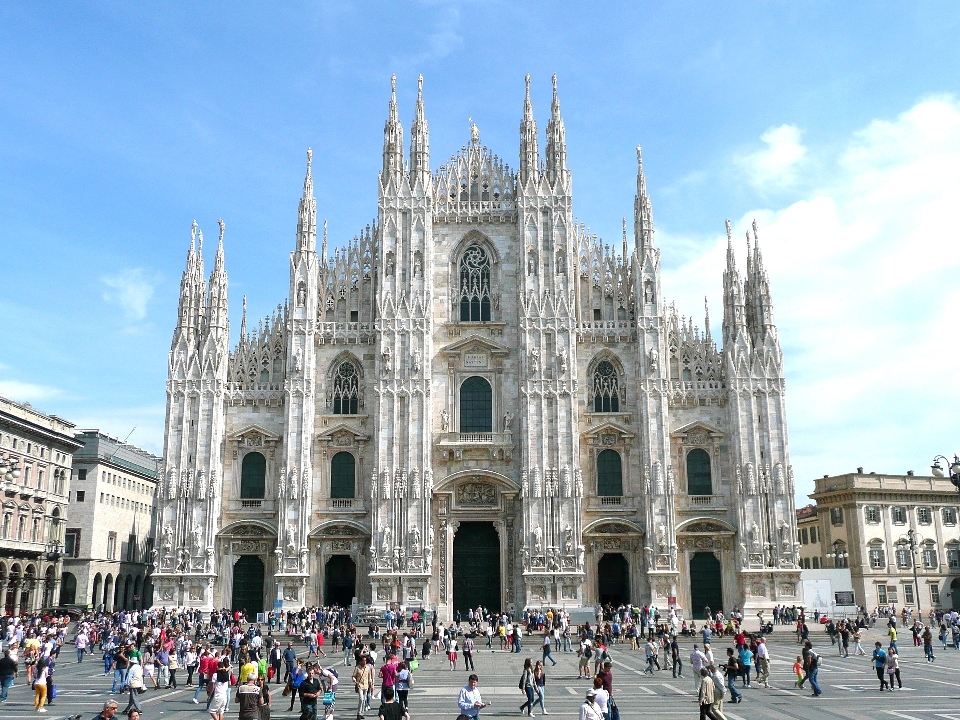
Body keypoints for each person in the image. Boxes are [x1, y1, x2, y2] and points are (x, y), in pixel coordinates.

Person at [353, 654, 374, 718]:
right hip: (360, 685)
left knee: (364, 700)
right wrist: (355, 681)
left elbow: (369, 677)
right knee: (361, 699)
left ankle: (362, 713)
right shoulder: (357, 668)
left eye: (365, 660)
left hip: (366, 685)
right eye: (363, 660)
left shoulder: (367, 668)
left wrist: (372, 685)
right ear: (361, 661)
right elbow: (353, 676)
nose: (364, 662)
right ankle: (358, 713)